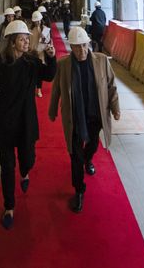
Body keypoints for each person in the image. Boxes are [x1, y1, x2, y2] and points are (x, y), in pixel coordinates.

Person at [0, 19, 58, 230]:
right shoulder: (0, 62)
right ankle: (9, 206)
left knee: (28, 159)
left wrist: (52, 59)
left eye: (27, 38)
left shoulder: (31, 61)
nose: (27, 42)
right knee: (7, 166)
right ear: (11, 42)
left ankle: (25, 172)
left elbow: (49, 75)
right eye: (22, 39)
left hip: (26, 122)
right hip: (6, 124)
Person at [48, 26, 120, 213]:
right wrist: (52, 109)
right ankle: (79, 190)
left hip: (95, 115)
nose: (82, 51)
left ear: (89, 44)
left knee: (93, 144)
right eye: (77, 47)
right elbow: (56, 89)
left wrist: (115, 108)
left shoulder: (101, 61)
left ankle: (89, 160)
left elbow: (111, 86)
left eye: (84, 46)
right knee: (75, 155)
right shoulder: (63, 65)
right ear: (71, 47)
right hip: (74, 118)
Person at [28, 11, 51, 97]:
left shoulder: (45, 29)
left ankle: (39, 90)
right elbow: (29, 41)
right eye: (35, 21)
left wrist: (43, 36)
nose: (36, 22)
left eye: (38, 21)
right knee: (32, 72)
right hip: (32, 54)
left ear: (41, 20)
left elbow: (48, 41)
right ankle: (32, 88)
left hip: (41, 54)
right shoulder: (31, 30)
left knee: (39, 73)